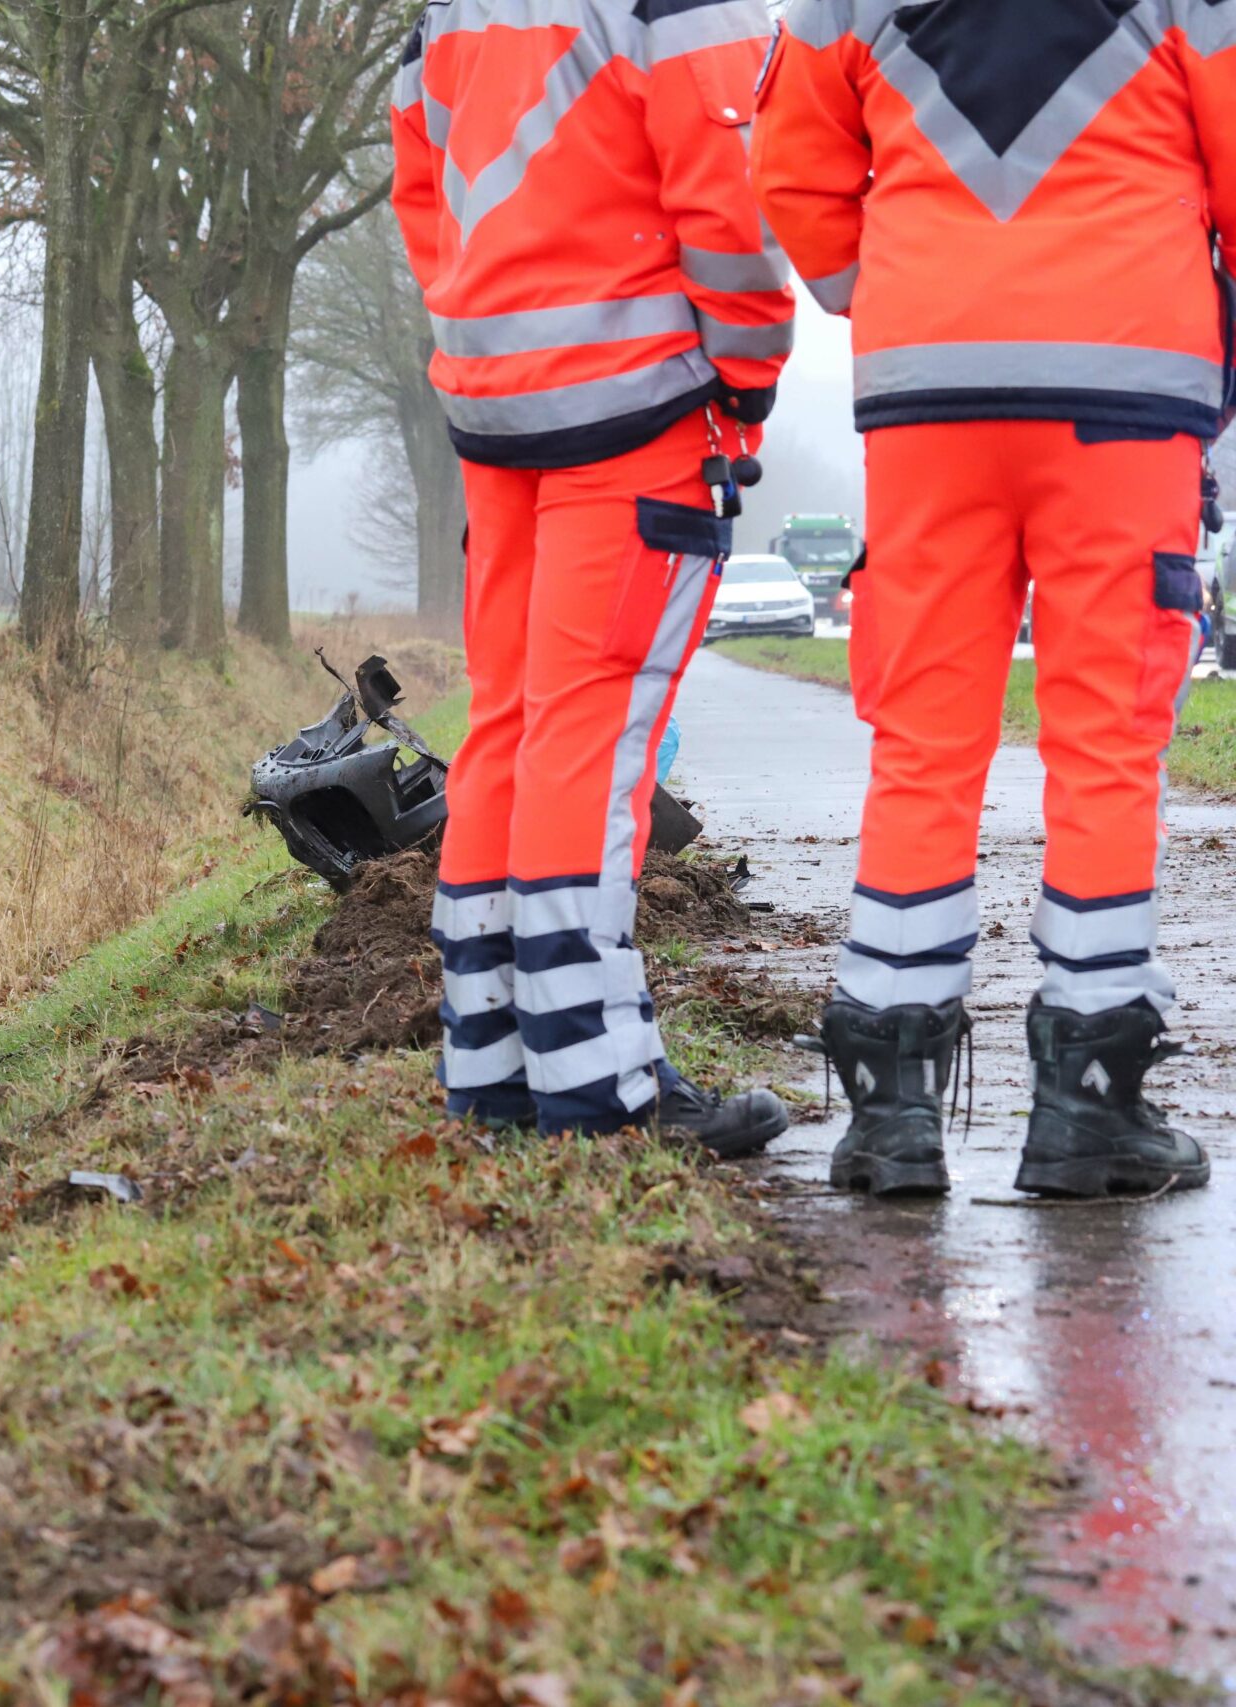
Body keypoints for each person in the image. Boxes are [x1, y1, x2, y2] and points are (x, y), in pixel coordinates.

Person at [753, 5, 1225, 1196]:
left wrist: (919, 287)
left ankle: (891, 1107)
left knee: (922, 738)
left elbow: (794, 170)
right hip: (1125, 387)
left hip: (929, 396)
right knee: (1106, 745)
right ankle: (1087, 1104)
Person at [390, 0, 796, 1150]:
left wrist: (488, 329)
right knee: (591, 736)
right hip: (638, 406)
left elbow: (420, 184)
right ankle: (598, 1088)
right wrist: (748, 367)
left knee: (510, 730)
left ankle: (493, 1067)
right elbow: (728, 180)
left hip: (494, 407)